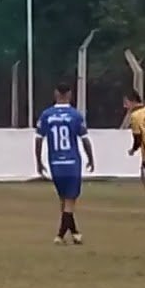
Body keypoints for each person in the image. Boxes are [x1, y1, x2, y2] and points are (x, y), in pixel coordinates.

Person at [35, 82, 95, 245]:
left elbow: (38, 140)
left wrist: (39, 162)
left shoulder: (46, 115)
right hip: (72, 162)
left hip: (55, 162)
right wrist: (91, 158)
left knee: (64, 199)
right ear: (70, 94)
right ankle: (60, 235)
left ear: (55, 93)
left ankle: (75, 233)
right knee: (70, 200)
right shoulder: (75, 115)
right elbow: (85, 139)